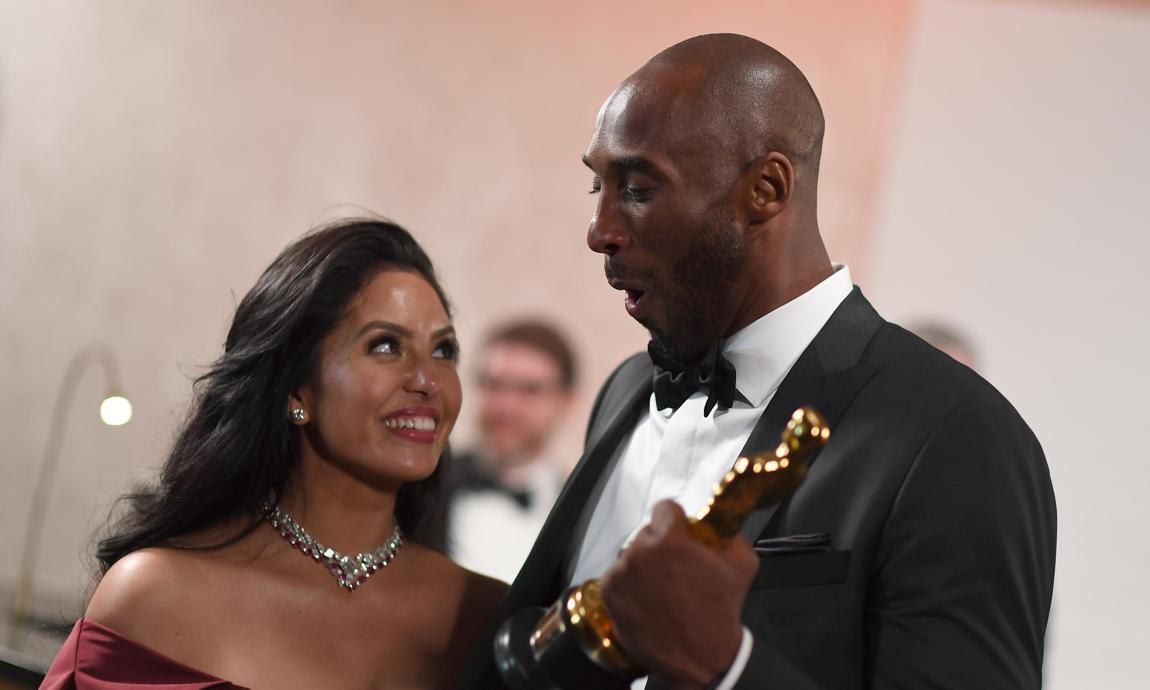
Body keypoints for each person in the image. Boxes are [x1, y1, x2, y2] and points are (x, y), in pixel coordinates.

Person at [461, 34, 1056, 690]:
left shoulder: (956, 435)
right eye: (596, 186)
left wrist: (727, 666)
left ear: (766, 190)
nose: (599, 229)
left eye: (635, 188)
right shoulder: (628, 388)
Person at [40, 219, 506, 689]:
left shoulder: (486, 617)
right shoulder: (154, 596)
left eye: (444, 351)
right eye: (386, 346)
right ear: (295, 390)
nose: (428, 382)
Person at [439, 320, 577, 581]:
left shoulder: (583, 510)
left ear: (568, 401)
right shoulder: (425, 487)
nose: (506, 406)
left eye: (529, 390)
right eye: (493, 384)